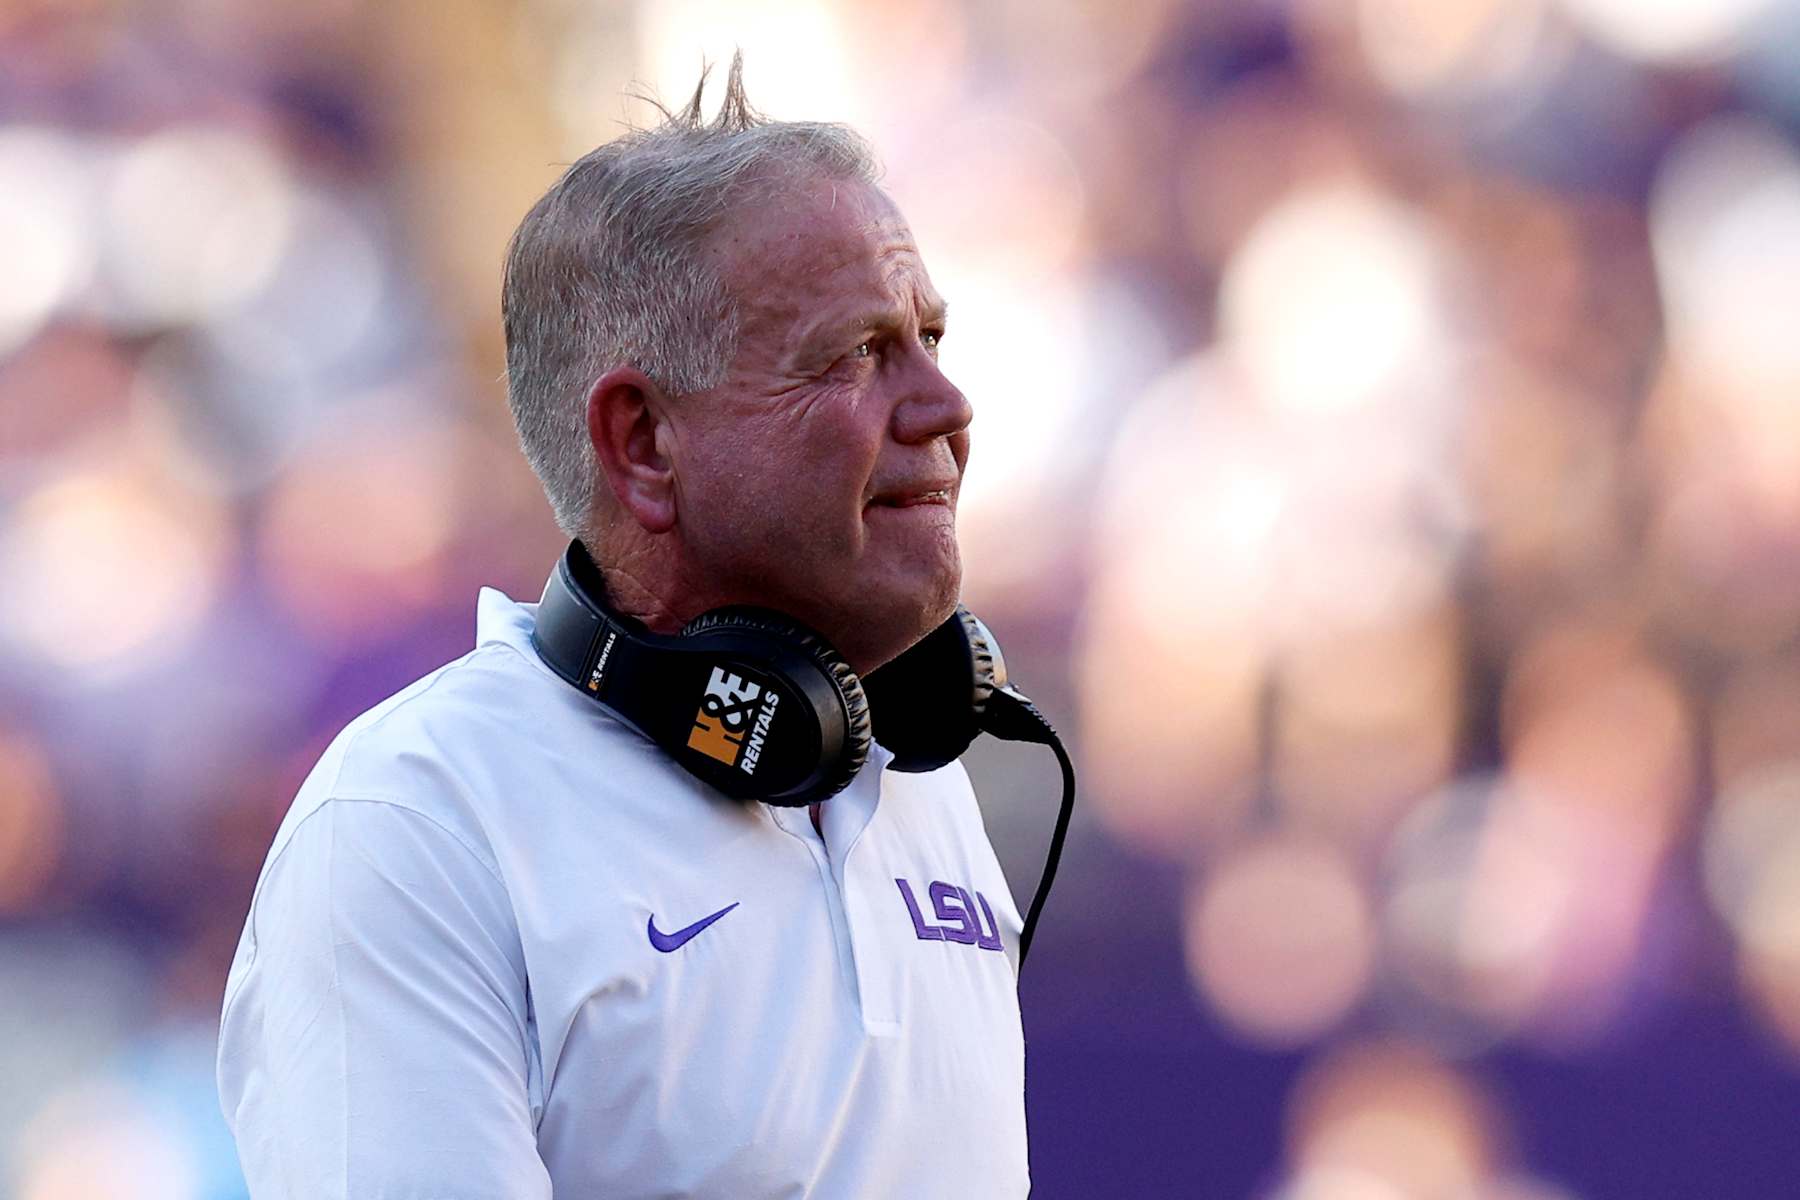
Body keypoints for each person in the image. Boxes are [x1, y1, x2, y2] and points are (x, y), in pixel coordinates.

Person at [216, 59, 1029, 1198]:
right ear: (643, 442)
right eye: (855, 353)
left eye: (929, 339)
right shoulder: (419, 825)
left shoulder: (911, 772)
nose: (945, 406)